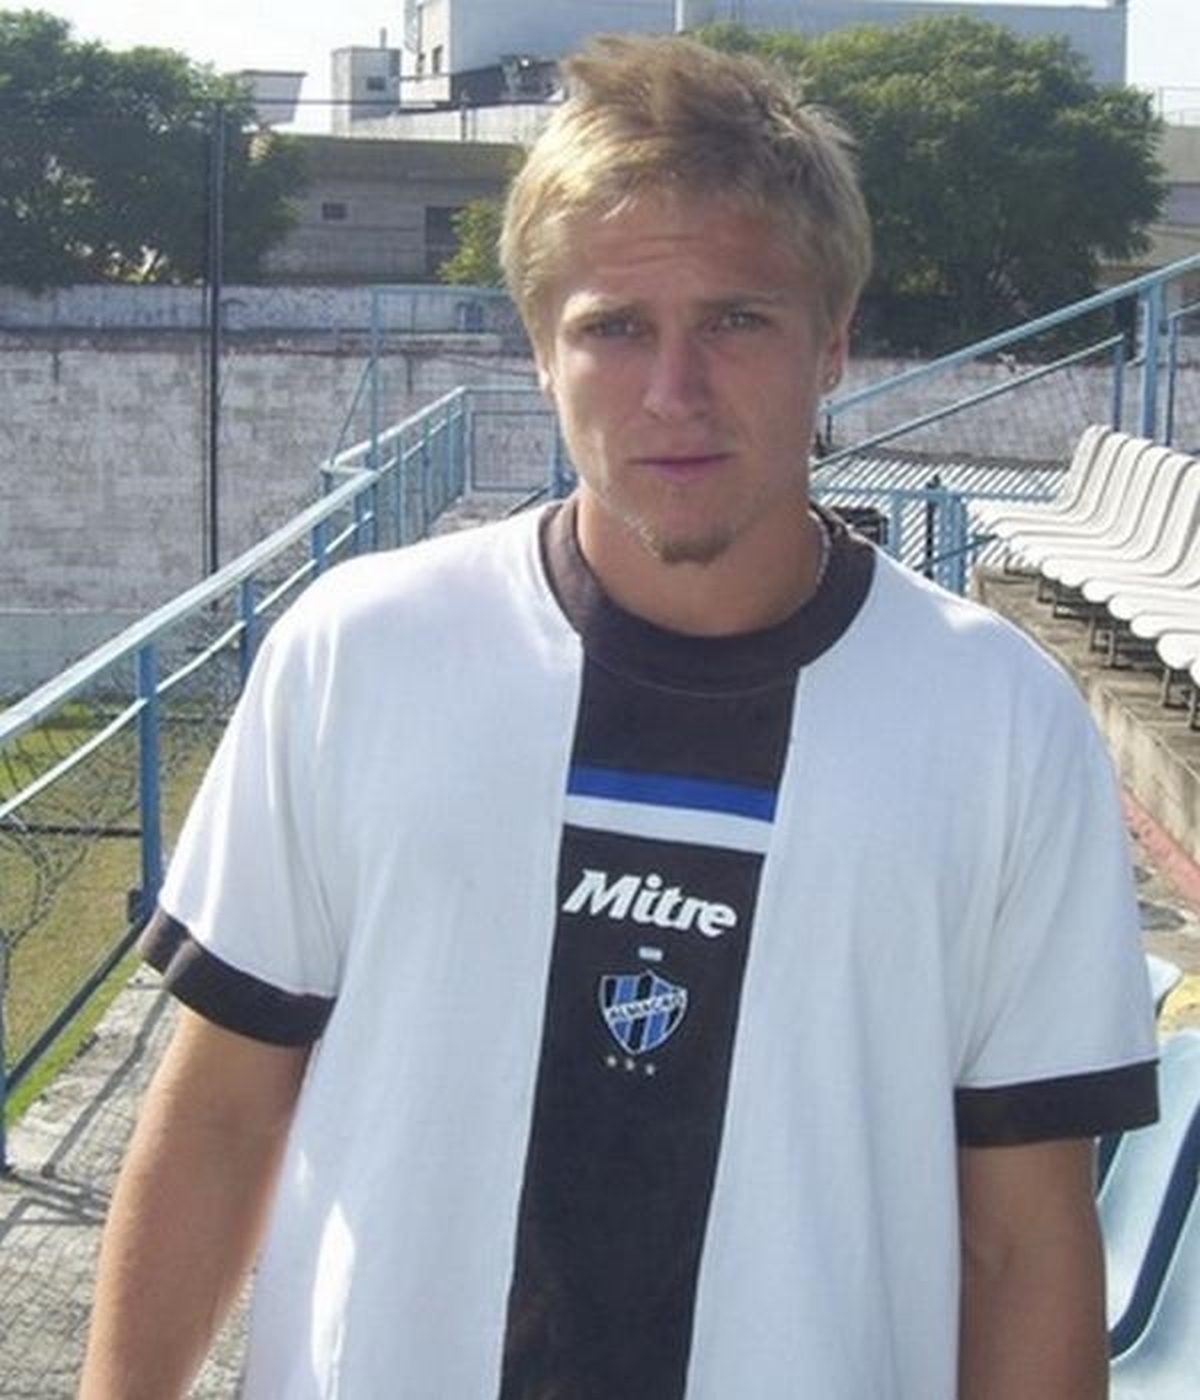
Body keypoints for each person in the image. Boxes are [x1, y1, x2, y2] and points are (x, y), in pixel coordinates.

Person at [80, 34, 1157, 1400]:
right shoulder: (361, 653)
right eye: (614, 327)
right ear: (541, 351)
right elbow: (222, 1119)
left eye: (737, 321)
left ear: (833, 342)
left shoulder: (1001, 723)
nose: (674, 393)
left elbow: (1024, 1243)